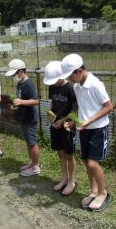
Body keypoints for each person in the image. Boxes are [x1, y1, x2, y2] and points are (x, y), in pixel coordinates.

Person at [60, 53, 113, 212]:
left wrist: (89, 121)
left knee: (92, 162)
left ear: (78, 71)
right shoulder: (77, 87)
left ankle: (103, 192)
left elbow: (109, 106)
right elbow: (82, 108)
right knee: (85, 161)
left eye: (70, 75)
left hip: (98, 129)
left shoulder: (96, 84)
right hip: (84, 129)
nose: (68, 79)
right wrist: (72, 121)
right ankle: (94, 191)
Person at [43, 61, 77, 196]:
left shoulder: (70, 88)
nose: (53, 83)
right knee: (60, 152)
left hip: (68, 125)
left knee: (69, 154)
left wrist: (63, 121)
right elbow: (53, 103)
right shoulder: (52, 86)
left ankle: (72, 181)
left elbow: (75, 110)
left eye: (55, 80)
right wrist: (50, 113)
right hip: (55, 124)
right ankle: (64, 178)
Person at [5, 59, 40, 177]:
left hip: (30, 118)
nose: (13, 77)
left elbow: (35, 101)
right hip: (23, 117)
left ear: (21, 71)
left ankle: (35, 167)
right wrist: (16, 105)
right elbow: (22, 100)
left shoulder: (29, 84)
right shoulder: (20, 83)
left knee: (32, 143)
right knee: (28, 143)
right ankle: (31, 163)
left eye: (14, 74)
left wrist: (21, 102)